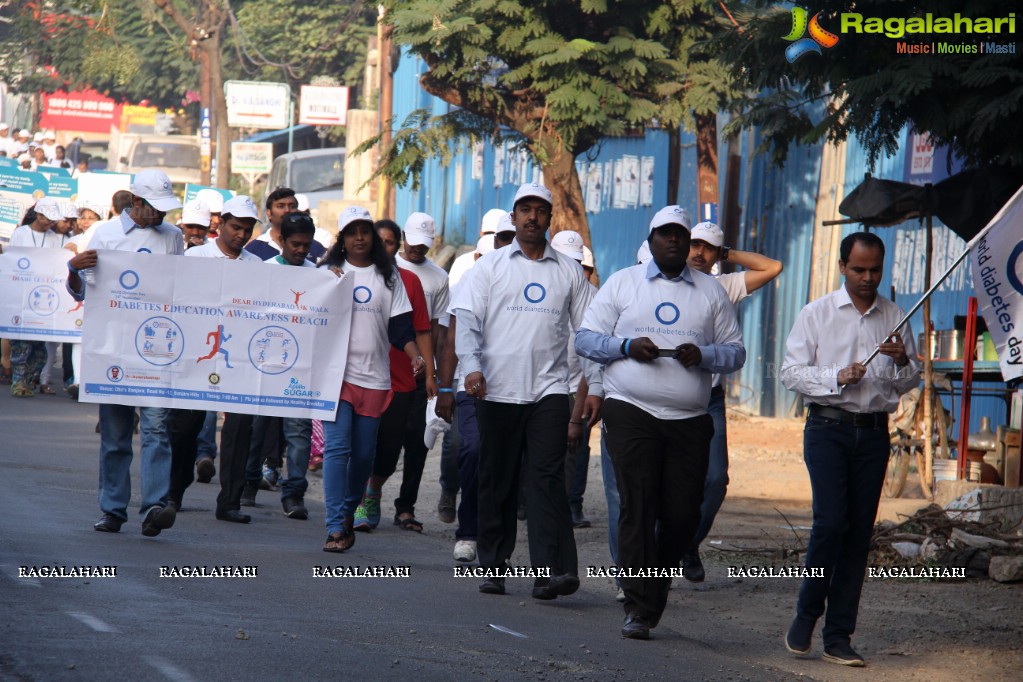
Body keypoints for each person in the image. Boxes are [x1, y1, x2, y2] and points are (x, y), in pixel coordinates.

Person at [575, 205, 745, 640]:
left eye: (680, 235)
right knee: (637, 504)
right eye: (664, 234)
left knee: (682, 514)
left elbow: (735, 351)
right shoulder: (623, 283)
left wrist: (702, 354)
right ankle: (638, 606)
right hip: (631, 409)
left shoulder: (711, 291)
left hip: (690, 419)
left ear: (689, 244)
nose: (673, 241)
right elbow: (587, 339)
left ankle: (654, 585)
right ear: (650, 241)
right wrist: (627, 345)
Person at [780, 231, 918, 667]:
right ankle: (806, 614)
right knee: (830, 524)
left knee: (859, 534)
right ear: (842, 266)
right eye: (858, 269)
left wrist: (901, 362)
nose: (867, 277)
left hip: (874, 434)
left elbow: (910, 381)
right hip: (828, 429)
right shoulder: (817, 313)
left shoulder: (895, 316)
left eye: (875, 269)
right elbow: (790, 373)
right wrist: (836, 377)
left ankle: (838, 636)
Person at [455, 182, 599, 598]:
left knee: (547, 478)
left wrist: (597, 387)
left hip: (550, 393)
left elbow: (588, 334)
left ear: (550, 220)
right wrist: (471, 368)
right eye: (525, 210)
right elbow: (467, 321)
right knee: (496, 480)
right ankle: (494, 565)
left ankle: (553, 571)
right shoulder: (491, 266)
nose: (532, 217)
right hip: (496, 391)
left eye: (540, 211)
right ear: (514, 217)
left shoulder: (569, 271)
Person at [66, 169, 184, 537]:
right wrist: (73, 270)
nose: (162, 215)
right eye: (155, 208)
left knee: (156, 429)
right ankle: (113, 510)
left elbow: (181, 289)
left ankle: (153, 508)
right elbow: (84, 291)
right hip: (113, 350)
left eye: (166, 208)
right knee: (116, 435)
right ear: (136, 203)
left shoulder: (174, 237)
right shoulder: (105, 234)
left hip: (157, 348)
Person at [681, 221, 784, 581]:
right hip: (669, 396)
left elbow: (773, 267)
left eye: (708, 248)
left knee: (715, 479)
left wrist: (727, 255)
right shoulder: (667, 282)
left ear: (717, 256)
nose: (698, 252)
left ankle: (687, 544)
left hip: (709, 399)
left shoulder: (724, 286)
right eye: (693, 243)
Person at [317, 206, 421, 552]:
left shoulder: (388, 276)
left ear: (372, 238)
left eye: (365, 231)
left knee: (363, 457)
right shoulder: (328, 273)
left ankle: (348, 514)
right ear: (342, 239)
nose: (359, 237)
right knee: (338, 449)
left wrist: (415, 356)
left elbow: (401, 328)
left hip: (375, 379)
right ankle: (334, 527)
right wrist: (324, 285)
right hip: (337, 378)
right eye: (352, 232)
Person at [436, 218, 516, 562]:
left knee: (506, 462)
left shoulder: (534, 278)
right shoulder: (471, 279)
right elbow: (453, 337)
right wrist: (444, 387)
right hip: (472, 384)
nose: (507, 245)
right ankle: (468, 530)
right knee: (472, 449)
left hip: (517, 388)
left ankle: (495, 532)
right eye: (502, 238)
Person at [352, 218, 436, 532]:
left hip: (400, 379)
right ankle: (358, 501)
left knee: (389, 448)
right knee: (360, 444)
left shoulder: (410, 282)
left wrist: (429, 373)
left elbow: (423, 330)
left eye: (391, 243)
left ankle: (373, 488)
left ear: (397, 245)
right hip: (360, 375)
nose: (386, 248)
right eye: (380, 241)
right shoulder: (354, 275)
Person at [182, 196, 263, 523]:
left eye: (247, 229)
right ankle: (174, 492)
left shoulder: (257, 266)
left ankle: (230, 501)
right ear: (221, 223)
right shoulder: (195, 256)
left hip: (239, 358)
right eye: (235, 227)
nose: (241, 235)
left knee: (239, 430)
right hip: (198, 353)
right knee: (186, 426)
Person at [258, 211, 323, 520]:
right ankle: (247, 483)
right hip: (263, 366)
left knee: (298, 432)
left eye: (306, 245)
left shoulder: (318, 274)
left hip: (299, 370)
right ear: (281, 240)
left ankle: (294, 493)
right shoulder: (264, 271)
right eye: (296, 244)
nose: (301, 251)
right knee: (258, 429)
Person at [7, 198, 68, 397]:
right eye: (47, 218)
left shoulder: (56, 238)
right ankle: (18, 382)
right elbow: (11, 259)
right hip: (21, 294)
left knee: (40, 351)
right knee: (21, 345)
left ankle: (28, 380)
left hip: (44, 298)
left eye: (53, 219)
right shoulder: (21, 233)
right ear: (38, 215)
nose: (50, 222)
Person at [246, 188, 326, 263]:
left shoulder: (316, 249)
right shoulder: (253, 250)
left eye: (292, 206)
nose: (287, 210)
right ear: (269, 213)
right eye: (281, 206)